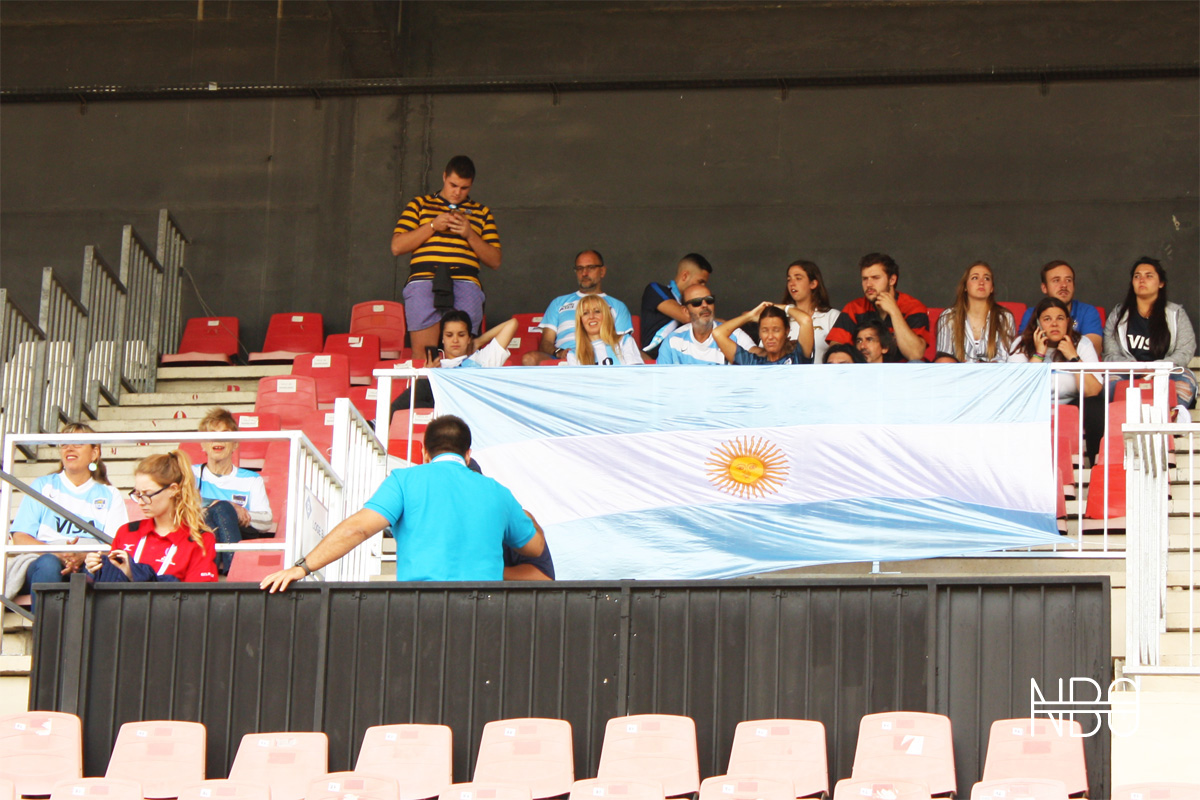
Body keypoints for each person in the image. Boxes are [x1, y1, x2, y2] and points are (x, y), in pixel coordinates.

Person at [260, 415, 546, 591]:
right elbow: (534, 547)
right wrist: (527, 517)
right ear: (468, 454)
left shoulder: (403, 480)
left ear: (424, 452)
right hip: (488, 606)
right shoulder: (498, 491)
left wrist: (302, 567)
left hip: (420, 603)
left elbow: (357, 529)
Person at [6, 423, 128, 612]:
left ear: (95, 453)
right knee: (48, 564)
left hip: (90, 561)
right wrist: (56, 553)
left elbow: (116, 544)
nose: (69, 448)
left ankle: (91, 637)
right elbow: (20, 536)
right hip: (43, 560)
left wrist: (84, 555)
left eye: (78, 443)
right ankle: (47, 637)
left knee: (97, 567)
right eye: (64, 444)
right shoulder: (42, 486)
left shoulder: (109, 494)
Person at [391, 155, 501, 356]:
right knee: (426, 356)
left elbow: (495, 261)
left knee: (463, 356)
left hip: (465, 281)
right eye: (453, 185)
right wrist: (432, 226)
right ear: (444, 177)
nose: (458, 192)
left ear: (472, 185)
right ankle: (426, 388)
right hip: (424, 280)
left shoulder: (482, 212)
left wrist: (469, 234)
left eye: (464, 188)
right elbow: (397, 246)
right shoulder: (420, 204)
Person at [85, 452, 217, 583]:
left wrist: (134, 574)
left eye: (147, 494)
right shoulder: (127, 532)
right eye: (137, 493)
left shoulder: (200, 539)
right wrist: (96, 569)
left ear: (173, 489)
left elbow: (197, 597)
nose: (141, 501)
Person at [1010, 297, 1104, 461]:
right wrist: (1038, 355)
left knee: (1096, 405)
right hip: (1035, 406)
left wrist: (1074, 357)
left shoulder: (1082, 343)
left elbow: (1093, 390)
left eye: (1060, 318)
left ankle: (1095, 462)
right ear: (1037, 323)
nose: (1054, 324)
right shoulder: (1021, 344)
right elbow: (1018, 389)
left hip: (1072, 404)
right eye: (1047, 319)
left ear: (1068, 322)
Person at [1102, 257, 1197, 410]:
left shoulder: (1175, 313)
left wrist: (1155, 368)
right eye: (1137, 276)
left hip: (1167, 372)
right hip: (1128, 373)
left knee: (1184, 381)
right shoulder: (1118, 314)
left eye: (1149, 275)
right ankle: (1125, 418)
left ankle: (1170, 419)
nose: (1142, 280)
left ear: (1161, 283)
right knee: (1109, 384)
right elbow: (1109, 354)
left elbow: (1185, 351)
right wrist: (1137, 367)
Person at [195, 408, 274, 574]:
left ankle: (210, 574)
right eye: (212, 434)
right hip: (199, 534)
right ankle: (234, 574)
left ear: (235, 443)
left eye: (225, 434)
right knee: (219, 510)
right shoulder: (190, 474)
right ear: (202, 443)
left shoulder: (252, 479)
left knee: (223, 510)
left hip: (241, 534)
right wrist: (226, 505)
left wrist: (239, 513)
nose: (218, 439)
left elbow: (266, 521)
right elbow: (179, 507)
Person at [391, 311, 520, 413]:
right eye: (449, 335)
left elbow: (512, 324)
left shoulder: (483, 359)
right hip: (440, 408)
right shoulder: (437, 366)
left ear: (469, 338)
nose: (455, 340)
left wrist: (479, 341)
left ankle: (378, 422)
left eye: (461, 335)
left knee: (425, 384)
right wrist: (429, 373)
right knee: (421, 392)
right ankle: (380, 423)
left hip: (466, 407)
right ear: (442, 339)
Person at [523, 250, 633, 365]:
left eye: (590, 267)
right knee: (530, 358)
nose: (584, 273)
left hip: (603, 358)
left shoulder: (617, 306)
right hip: (565, 358)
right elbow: (546, 342)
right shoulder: (559, 303)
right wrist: (558, 352)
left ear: (602, 271)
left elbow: (622, 344)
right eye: (580, 268)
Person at [827, 253, 931, 362]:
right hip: (863, 373)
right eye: (865, 279)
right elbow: (836, 351)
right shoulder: (855, 307)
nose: (869, 284)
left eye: (875, 278)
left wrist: (894, 312)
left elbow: (915, 354)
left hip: (902, 374)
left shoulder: (913, 306)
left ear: (892, 280)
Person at [1017, 260, 1104, 356]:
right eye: (1056, 280)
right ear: (1044, 288)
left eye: (1068, 280)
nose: (1063, 285)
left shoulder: (1087, 311)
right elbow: (1023, 349)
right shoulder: (1032, 313)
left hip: (1075, 369)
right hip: (1041, 368)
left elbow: (1094, 350)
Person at [935, 261, 1016, 363]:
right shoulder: (948, 317)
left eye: (987, 278)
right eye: (975, 278)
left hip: (993, 375)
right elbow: (944, 357)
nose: (981, 282)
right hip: (959, 375)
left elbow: (1004, 358)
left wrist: (982, 367)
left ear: (991, 288)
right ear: (965, 287)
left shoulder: (1004, 317)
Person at [656, 285, 755, 365]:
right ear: (686, 311)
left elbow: (758, 360)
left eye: (709, 300)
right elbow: (660, 382)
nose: (705, 305)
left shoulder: (735, 335)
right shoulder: (672, 341)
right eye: (696, 302)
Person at [639, 253, 712, 358]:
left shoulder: (694, 305)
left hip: (685, 359)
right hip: (654, 358)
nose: (703, 287)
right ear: (685, 276)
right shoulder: (655, 289)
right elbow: (687, 317)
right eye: (700, 282)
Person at [778, 260, 840, 364]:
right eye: (789, 279)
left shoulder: (832, 316)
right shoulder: (780, 318)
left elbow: (840, 356)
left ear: (813, 283)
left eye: (798, 278)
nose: (792, 283)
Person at [713, 303, 814, 365]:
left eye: (776, 330)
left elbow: (806, 321)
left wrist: (781, 307)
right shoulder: (752, 363)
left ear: (786, 331)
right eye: (765, 330)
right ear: (759, 333)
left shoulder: (797, 359)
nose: (770, 336)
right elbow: (718, 333)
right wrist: (750, 316)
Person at [567, 294, 644, 365]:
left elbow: (636, 376)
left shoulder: (624, 341)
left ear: (606, 316)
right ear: (580, 321)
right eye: (585, 313)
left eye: (597, 311)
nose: (591, 317)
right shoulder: (574, 355)